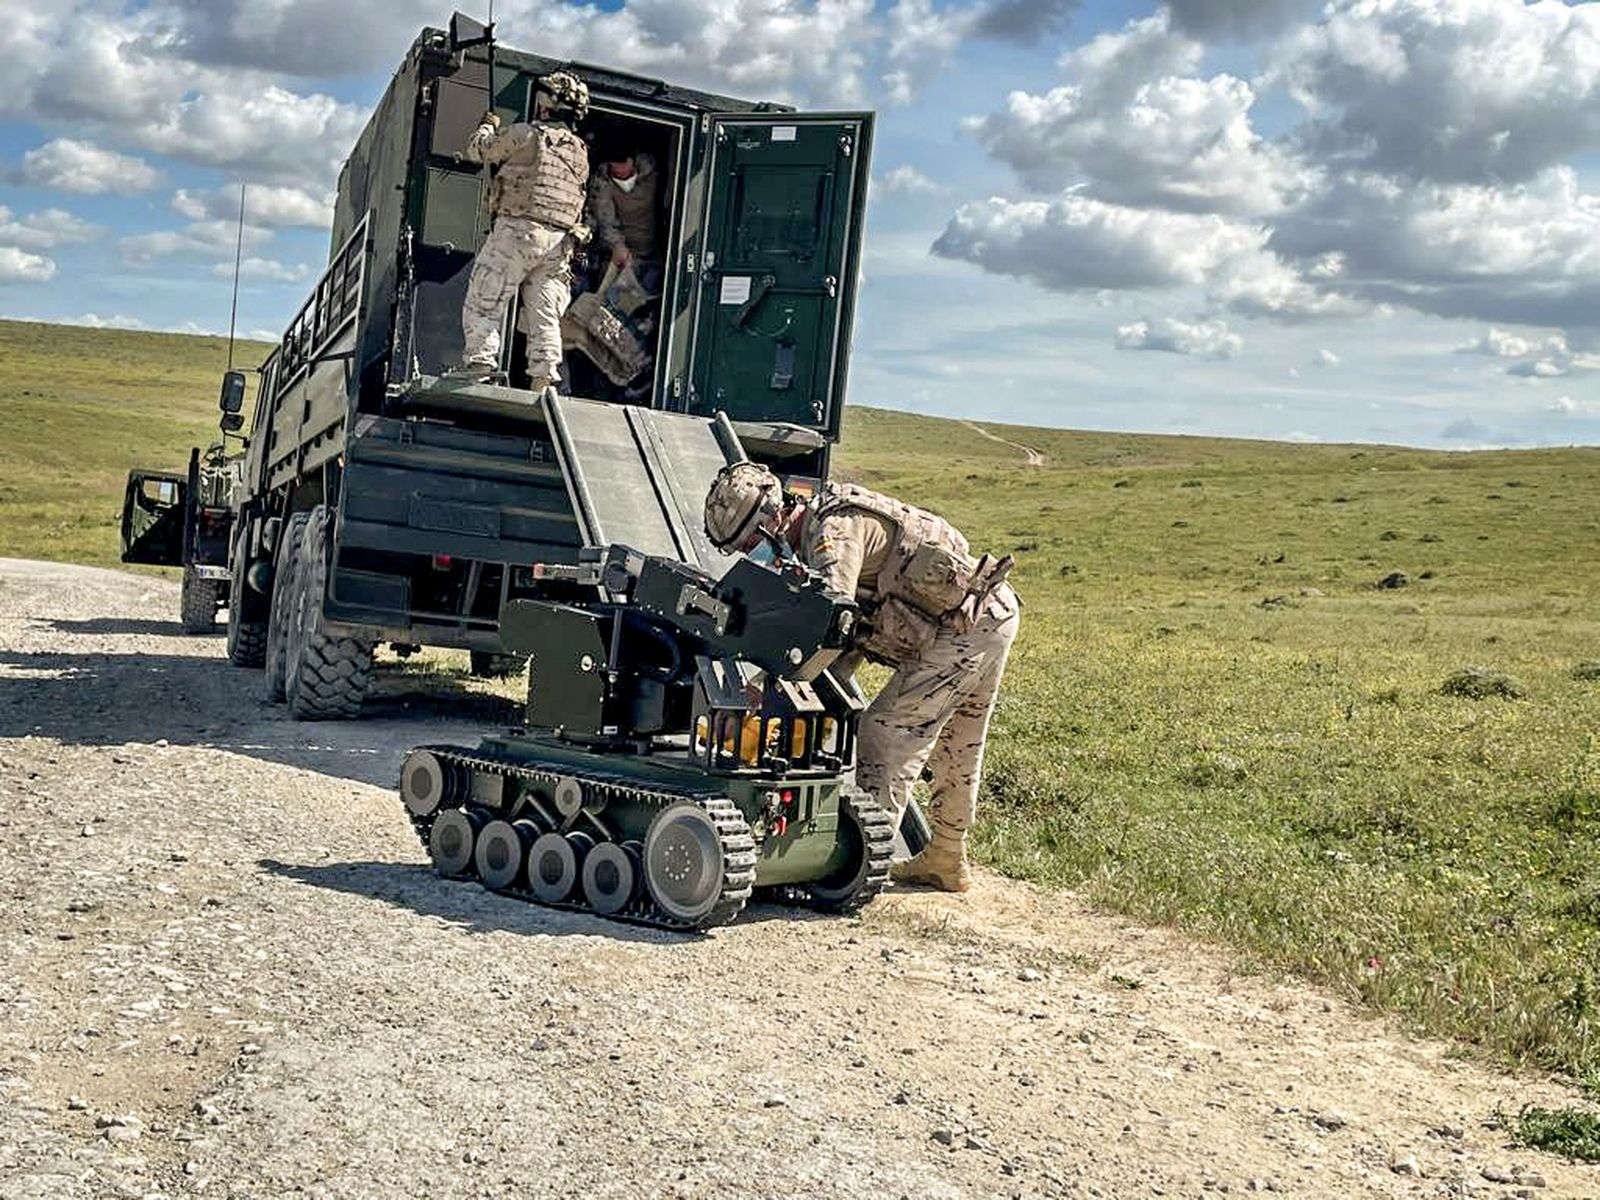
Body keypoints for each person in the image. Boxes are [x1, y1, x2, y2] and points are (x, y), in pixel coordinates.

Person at [703, 463, 1020, 893]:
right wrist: (774, 687)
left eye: (752, 543)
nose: (756, 555)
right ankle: (945, 856)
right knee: (959, 741)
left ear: (773, 517)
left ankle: (861, 865)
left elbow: (830, 624)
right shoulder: (820, 533)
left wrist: (768, 685)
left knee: (886, 731)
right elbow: (848, 645)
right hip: (987, 616)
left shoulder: (832, 532)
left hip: (965, 627)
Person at [453, 71, 591, 391]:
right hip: (559, 242)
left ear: (544, 105)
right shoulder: (579, 150)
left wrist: (488, 125)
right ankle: (544, 379)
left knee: (484, 300)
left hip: (518, 230)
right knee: (545, 312)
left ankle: (480, 365)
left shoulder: (527, 134)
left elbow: (479, 151)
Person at [585, 147, 659, 274]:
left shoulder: (653, 174)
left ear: (633, 162)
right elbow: (604, 217)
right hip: (620, 253)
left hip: (652, 249)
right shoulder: (603, 181)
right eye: (617, 175)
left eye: (626, 174)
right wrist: (617, 244)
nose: (622, 177)